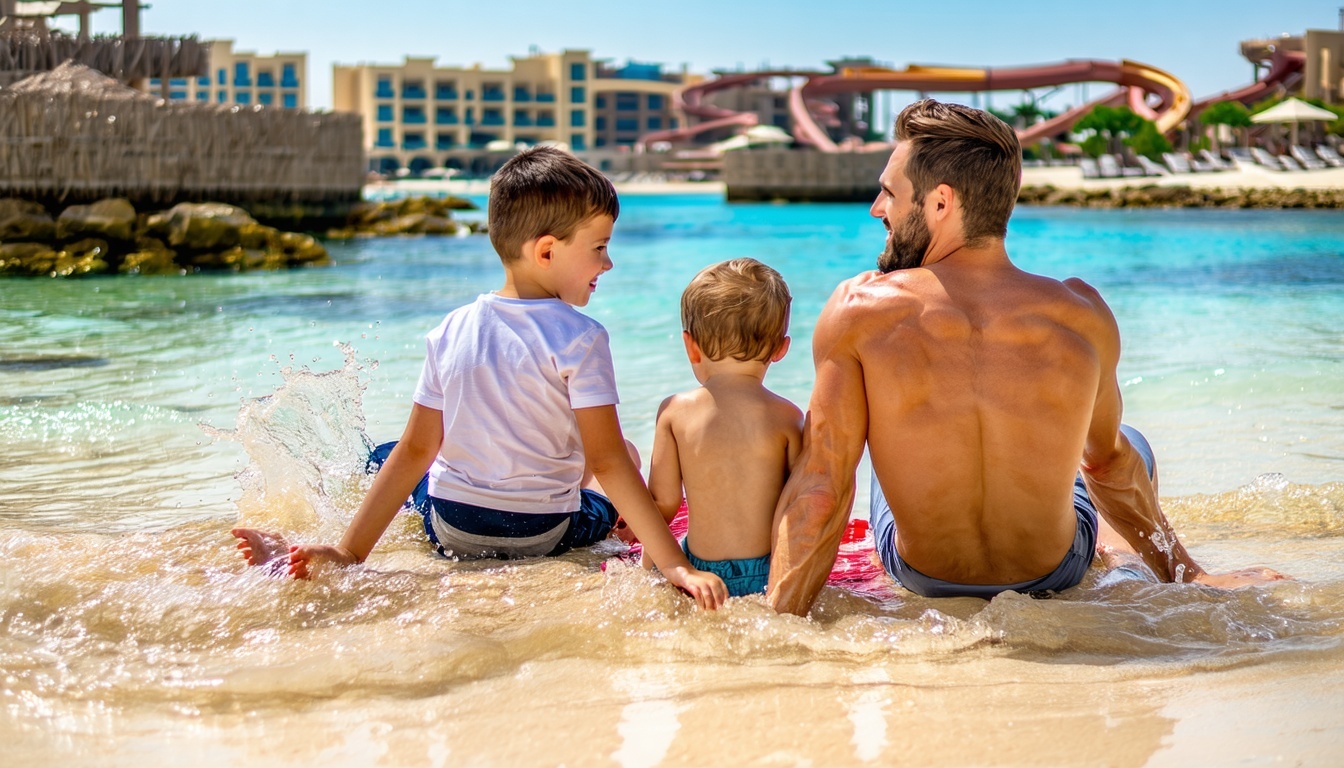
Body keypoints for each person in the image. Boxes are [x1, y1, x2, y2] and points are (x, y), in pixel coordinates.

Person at [766, 100, 1287, 614]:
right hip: (1053, 572)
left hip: (925, 576)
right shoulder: (1080, 313)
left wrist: (777, 624)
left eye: (889, 193)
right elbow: (1106, 464)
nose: (878, 208)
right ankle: (1123, 558)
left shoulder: (859, 309)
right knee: (1127, 444)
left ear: (940, 203)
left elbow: (825, 485)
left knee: (856, 435)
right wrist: (1191, 576)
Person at [233, 146, 728, 610]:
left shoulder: (451, 328)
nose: (608, 262)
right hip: (543, 533)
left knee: (387, 454)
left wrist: (348, 553)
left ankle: (311, 544)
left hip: (454, 528)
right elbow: (609, 461)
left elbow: (416, 451)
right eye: (599, 247)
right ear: (547, 251)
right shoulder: (582, 337)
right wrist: (675, 565)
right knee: (625, 454)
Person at [642, 258, 803, 597]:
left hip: (700, 571)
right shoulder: (788, 417)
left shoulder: (674, 413)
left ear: (691, 346)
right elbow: (798, 505)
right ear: (781, 349)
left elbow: (664, 504)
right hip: (768, 571)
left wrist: (648, 571)